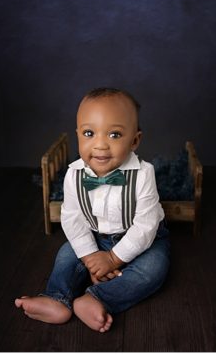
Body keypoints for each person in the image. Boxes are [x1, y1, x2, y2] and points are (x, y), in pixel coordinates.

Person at [14, 88, 169, 332]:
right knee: (66, 254)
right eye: (89, 133)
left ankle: (99, 298)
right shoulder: (74, 174)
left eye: (114, 134)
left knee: (154, 269)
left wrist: (112, 259)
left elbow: (146, 225)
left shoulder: (143, 174)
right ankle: (57, 298)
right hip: (96, 237)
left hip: (144, 240)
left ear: (135, 140)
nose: (100, 145)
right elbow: (73, 218)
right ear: (78, 135)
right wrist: (90, 258)